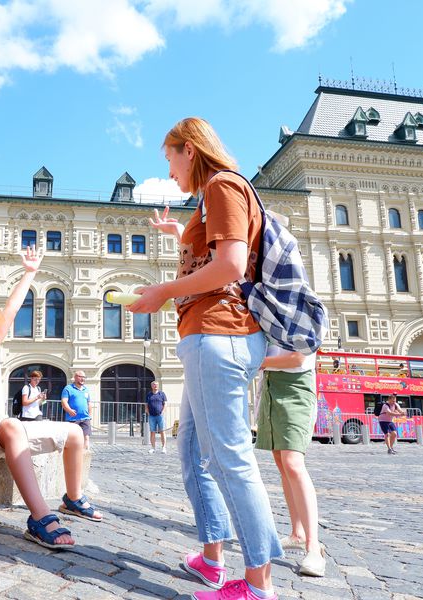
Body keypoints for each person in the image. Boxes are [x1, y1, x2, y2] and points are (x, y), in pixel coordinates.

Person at [131, 117, 281, 600]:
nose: (170, 170)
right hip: (210, 335)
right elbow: (212, 255)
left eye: (170, 158)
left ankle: (258, 584)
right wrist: (184, 231)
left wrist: (163, 292)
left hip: (220, 334)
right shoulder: (212, 197)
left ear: (189, 150)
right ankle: (213, 560)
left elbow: (231, 266)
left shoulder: (221, 185)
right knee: (194, 453)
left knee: (228, 458)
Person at [0, 247, 102, 551]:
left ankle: (73, 498)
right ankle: (41, 518)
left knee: (75, 433)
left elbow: (11, 310)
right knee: (11, 425)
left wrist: (29, 272)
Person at [256, 346, 325, 577]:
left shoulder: (310, 309)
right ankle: (297, 533)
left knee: (293, 462)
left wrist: (257, 360)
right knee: (281, 462)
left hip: (297, 385)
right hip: (271, 384)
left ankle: (313, 546)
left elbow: (298, 357)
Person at [61, 371, 92, 451]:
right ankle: (71, 455)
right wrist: (69, 410)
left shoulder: (86, 389)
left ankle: (85, 455)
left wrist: (89, 415)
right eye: (80, 376)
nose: (83, 379)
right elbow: (64, 402)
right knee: (72, 439)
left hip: (85, 418)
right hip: (73, 419)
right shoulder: (68, 388)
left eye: (84, 377)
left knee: (86, 438)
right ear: (75, 377)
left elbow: (89, 403)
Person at [145, 380, 168, 454]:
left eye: (157, 385)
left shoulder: (162, 394)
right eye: (154, 385)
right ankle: (153, 448)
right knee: (152, 432)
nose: (155, 386)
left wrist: (162, 412)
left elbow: (165, 404)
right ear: (152, 386)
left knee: (162, 431)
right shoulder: (149, 394)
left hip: (160, 415)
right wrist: (148, 412)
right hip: (152, 416)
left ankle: (164, 447)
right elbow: (146, 405)